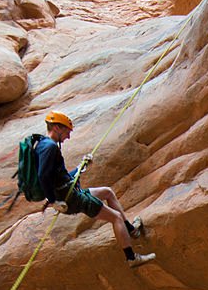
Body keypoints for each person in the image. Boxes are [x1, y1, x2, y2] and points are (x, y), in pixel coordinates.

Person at [33, 111, 156, 268]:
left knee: (107, 192)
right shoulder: (50, 147)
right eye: (67, 132)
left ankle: (131, 230)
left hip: (69, 193)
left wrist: (80, 167)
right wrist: (53, 201)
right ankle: (131, 258)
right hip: (72, 199)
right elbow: (43, 176)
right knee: (116, 217)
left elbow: (59, 177)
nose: (68, 137)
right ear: (57, 128)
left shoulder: (43, 144)